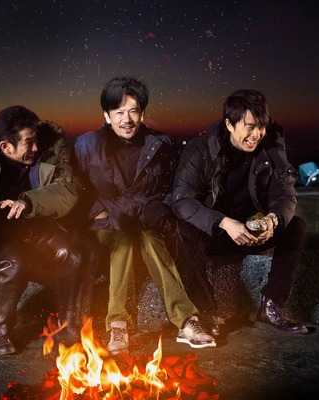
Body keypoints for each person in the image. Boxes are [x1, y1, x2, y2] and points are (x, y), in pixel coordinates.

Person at [72, 77, 216, 354]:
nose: (126, 120)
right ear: (106, 115)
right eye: (119, 112)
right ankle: (118, 325)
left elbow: (174, 190)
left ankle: (187, 321)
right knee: (124, 242)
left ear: (142, 113)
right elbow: (76, 192)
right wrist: (103, 211)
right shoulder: (86, 146)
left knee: (151, 241)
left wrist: (158, 207)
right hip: (106, 226)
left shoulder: (160, 145)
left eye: (133, 111)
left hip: (146, 224)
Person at [0, 106, 96, 355]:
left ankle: (68, 327)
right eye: (28, 142)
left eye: (36, 139)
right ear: (6, 147)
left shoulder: (48, 153)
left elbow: (68, 190)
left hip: (36, 228)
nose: (35, 147)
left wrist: (28, 202)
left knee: (73, 253)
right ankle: (0, 333)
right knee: (15, 263)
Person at [168, 89, 309, 336]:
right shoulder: (200, 150)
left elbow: (285, 194)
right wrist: (223, 222)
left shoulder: (271, 145)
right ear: (229, 124)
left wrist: (272, 220)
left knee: (295, 225)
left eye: (261, 127)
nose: (257, 135)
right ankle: (207, 311)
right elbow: (183, 201)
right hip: (217, 232)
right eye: (250, 127)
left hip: (253, 231)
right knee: (182, 230)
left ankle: (271, 306)